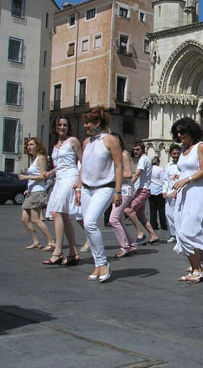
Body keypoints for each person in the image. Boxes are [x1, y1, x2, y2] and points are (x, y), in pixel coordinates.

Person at [75, 106, 123, 283]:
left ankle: (103, 264)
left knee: (90, 222)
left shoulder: (110, 140)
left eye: (88, 122)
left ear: (98, 123)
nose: (85, 125)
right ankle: (97, 265)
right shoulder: (86, 143)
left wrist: (118, 191)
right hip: (87, 188)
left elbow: (119, 167)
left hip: (105, 188)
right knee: (88, 227)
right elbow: (83, 168)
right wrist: (79, 188)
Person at [171, 117, 203, 283]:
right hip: (184, 195)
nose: (179, 135)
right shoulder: (184, 150)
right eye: (177, 132)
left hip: (197, 192)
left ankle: (197, 269)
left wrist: (186, 180)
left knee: (186, 232)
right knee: (189, 229)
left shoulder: (201, 147)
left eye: (182, 132)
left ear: (190, 131)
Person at [42, 117, 82, 265]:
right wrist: (50, 173)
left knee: (56, 212)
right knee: (63, 216)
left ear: (68, 127)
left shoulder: (73, 141)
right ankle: (73, 252)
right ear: (56, 127)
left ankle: (58, 251)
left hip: (70, 177)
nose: (62, 127)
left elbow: (82, 162)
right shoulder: (56, 145)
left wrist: (79, 184)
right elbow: (59, 165)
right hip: (58, 179)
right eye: (59, 125)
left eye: (65, 125)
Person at [19, 138, 55, 251]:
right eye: (28, 145)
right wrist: (28, 189)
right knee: (24, 218)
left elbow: (43, 176)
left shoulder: (41, 158)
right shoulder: (33, 159)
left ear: (37, 146)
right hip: (31, 192)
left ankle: (51, 241)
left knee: (35, 219)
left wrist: (26, 177)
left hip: (38, 191)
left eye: (31, 144)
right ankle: (36, 241)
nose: (29, 147)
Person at [124, 142, 159, 245]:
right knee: (140, 215)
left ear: (143, 149)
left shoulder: (143, 159)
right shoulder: (143, 159)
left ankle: (140, 233)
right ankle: (153, 236)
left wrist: (130, 184)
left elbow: (138, 173)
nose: (135, 151)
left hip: (143, 190)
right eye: (134, 149)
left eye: (138, 149)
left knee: (128, 210)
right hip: (141, 189)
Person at [108, 133, 135, 258]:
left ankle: (124, 246)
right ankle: (130, 244)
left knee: (113, 219)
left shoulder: (123, 153)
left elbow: (129, 173)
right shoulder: (114, 155)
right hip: (118, 189)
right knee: (118, 219)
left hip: (125, 189)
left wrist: (112, 177)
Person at [163, 144, 181, 244]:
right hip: (170, 193)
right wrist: (164, 191)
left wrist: (178, 190)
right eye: (174, 153)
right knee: (168, 214)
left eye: (178, 153)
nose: (176, 155)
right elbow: (165, 180)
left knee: (178, 215)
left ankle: (179, 235)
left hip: (179, 193)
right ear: (170, 154)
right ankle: (172, 234)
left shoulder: (182, 165)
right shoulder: (168, 166)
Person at [149, 156, 167, 232]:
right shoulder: (160, 169)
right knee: (161, 209)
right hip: (159, 190)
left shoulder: (149, 169)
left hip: (151, 190)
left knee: (152, 209)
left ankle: (153, 224)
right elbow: (163, 180)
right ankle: (163, 225)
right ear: (157, 162)